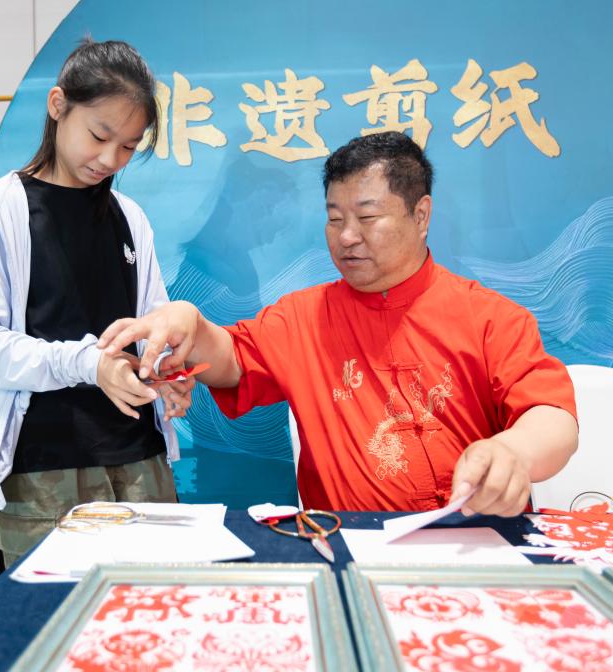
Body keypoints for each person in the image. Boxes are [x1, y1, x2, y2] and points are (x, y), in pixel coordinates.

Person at [97, 131, 578, 516]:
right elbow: (230, 361)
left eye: (367, 217)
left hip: (476, 543)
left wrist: (514, 451)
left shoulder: (490, 317)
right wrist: (191, 321)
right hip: (348, 544)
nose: (347, 236)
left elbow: (553, 417)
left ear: (421, 215)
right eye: (334, 218)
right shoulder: (303, 318)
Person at [0, 39, 194, 566]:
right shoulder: (2, 210)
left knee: (149, 613)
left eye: (128, 146)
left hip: (142, 462)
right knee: (54, 615)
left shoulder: (130, 217)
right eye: (99, 136)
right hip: (45, 473)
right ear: (58, 105)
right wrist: (89, 364)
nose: (110, 159)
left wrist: (164, 372)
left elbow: (152, 325)